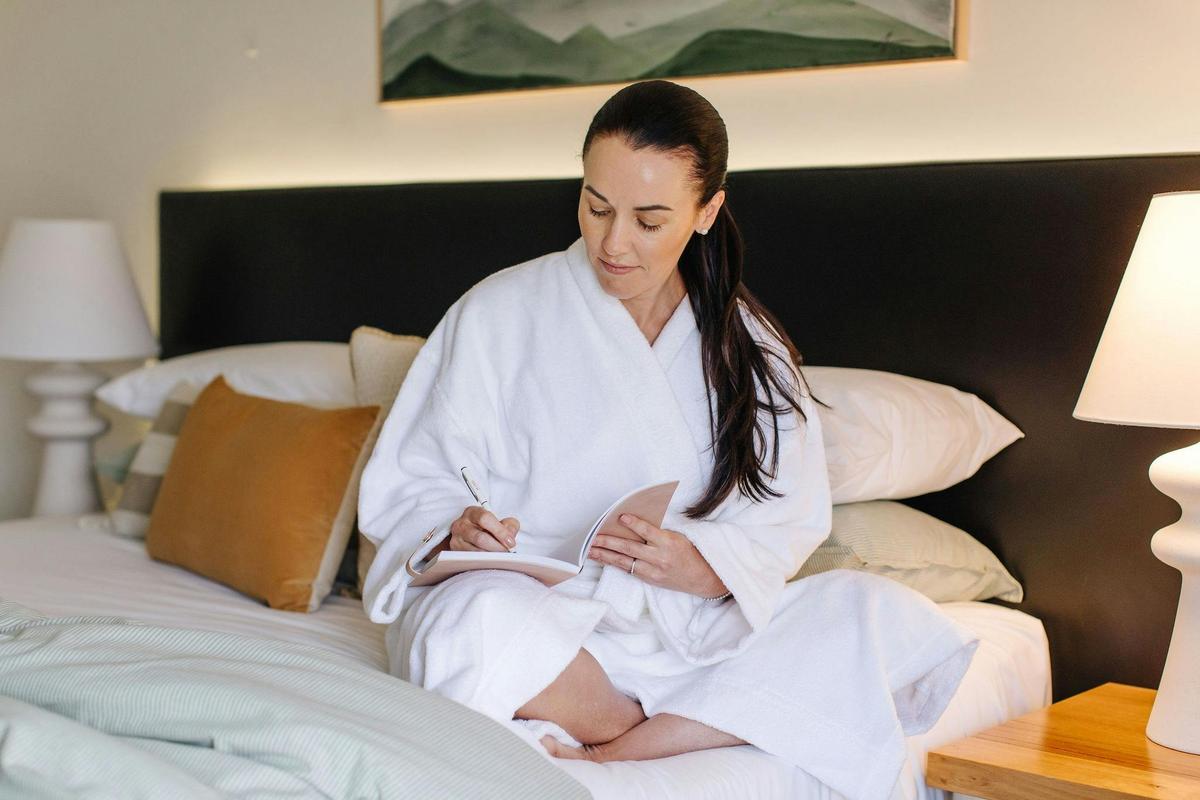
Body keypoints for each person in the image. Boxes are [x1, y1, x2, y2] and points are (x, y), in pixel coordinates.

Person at [358, 80, 977, 800]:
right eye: (596, 207)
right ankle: (645, 731)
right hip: (544, 629)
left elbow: (786, 520)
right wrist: (456, 530)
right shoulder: (497, 312)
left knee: (875, 612)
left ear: (707, 212)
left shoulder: (750, 349)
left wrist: (705, 566)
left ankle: (634, 737)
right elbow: (416, 477)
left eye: (648, 221)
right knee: (472, 622)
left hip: (691, 634)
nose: (613, 243)